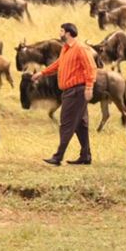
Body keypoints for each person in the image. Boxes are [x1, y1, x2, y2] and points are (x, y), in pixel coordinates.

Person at [38, 22, 97, 166]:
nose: (60, 33)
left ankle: (58, 157)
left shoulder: (80, 48)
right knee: (81, 125)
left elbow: (91, 67)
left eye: (61, 31)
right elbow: (59, 64)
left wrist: (89, 87)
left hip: (76, 91)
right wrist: (42, 73)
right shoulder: (65, 48)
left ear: (68, 33)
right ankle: (85, 156)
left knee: (66, 123)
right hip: (70, 91)